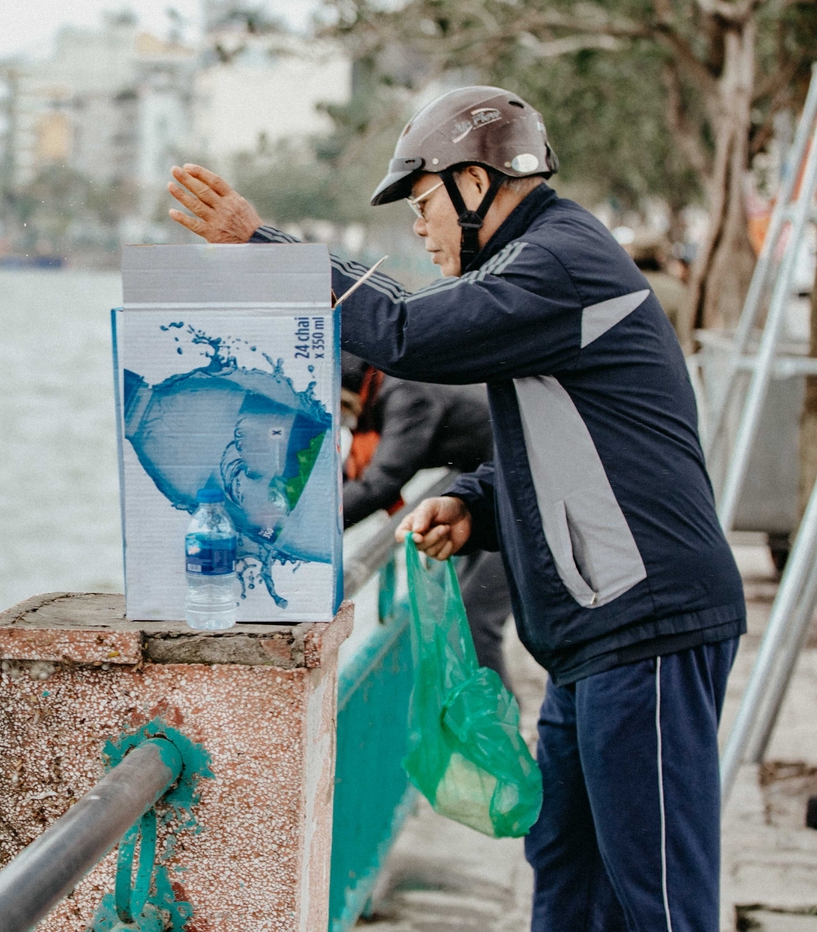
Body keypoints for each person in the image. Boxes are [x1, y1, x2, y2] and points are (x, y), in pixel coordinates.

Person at [166, 86, 744, 932]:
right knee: (568, 872)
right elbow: (567, 451)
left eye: (422, 202)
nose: (418, 227)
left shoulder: (558, 260)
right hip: (597, 636)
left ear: (475, 183)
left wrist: (261, 246)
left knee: (656, 895)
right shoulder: (539, 266)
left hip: (647, 625)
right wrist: (475, 503)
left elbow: (407, 332)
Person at [340, 352, 513, 689]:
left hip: (515, 498)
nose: (342, 421)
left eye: (341, 409)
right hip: (491, 497)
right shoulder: (385, 391)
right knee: (463, 610)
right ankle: (487, 712)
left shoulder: (409, 397)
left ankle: (500, 717)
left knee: (475, 616)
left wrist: (315, 530)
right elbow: (353, 476)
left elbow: (382, 479)